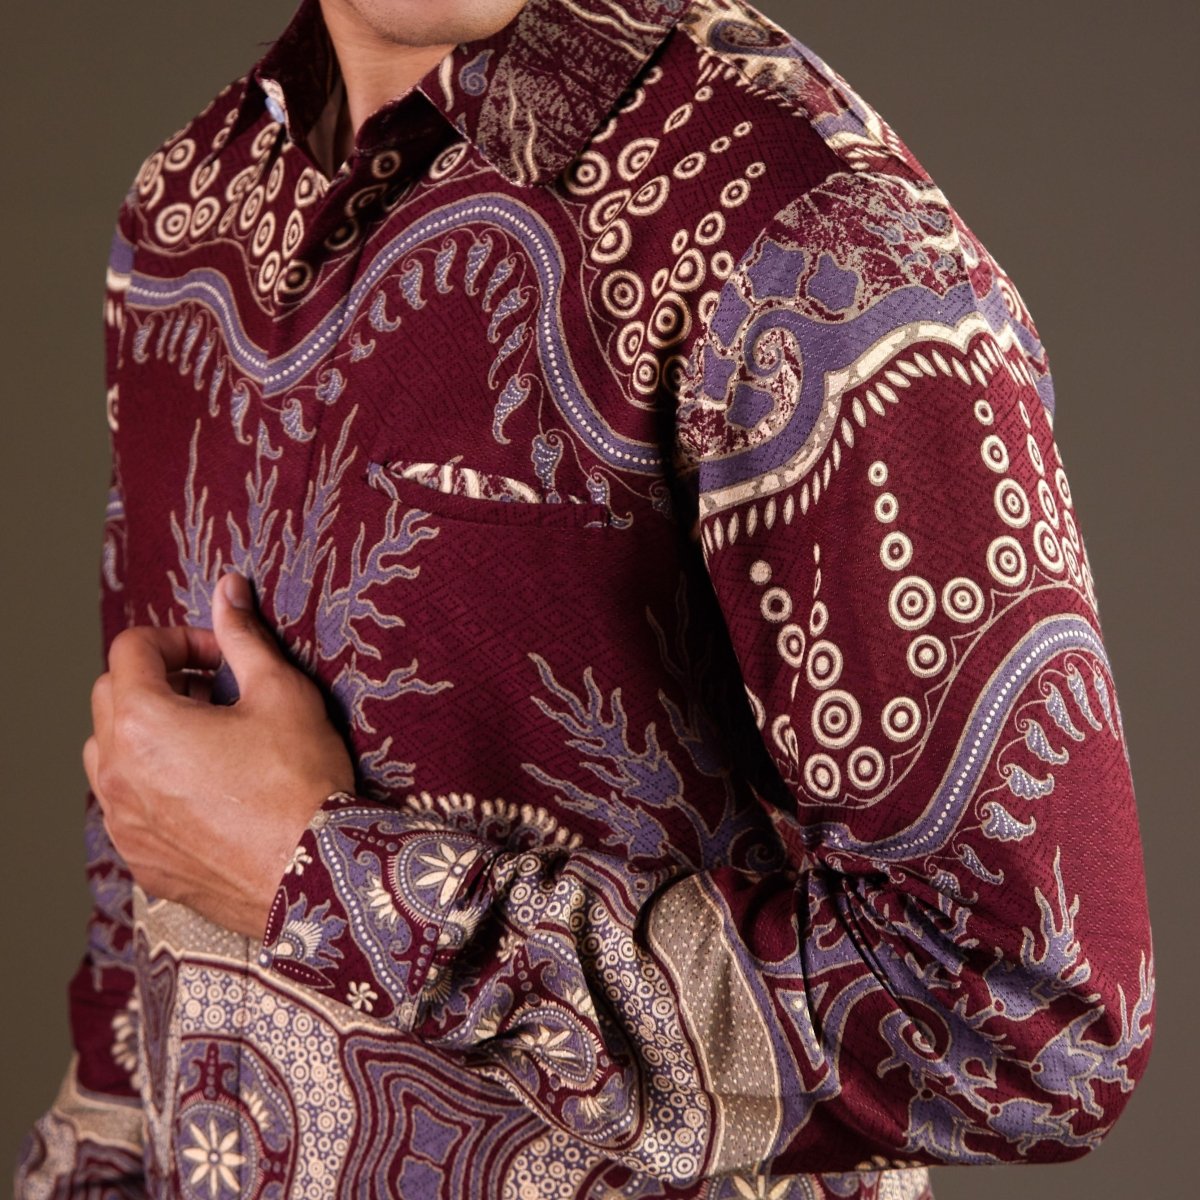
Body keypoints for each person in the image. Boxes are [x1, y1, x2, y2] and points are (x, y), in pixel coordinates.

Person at [15, 0, 1154, 1196]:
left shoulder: (819, 247)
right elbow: (142, 871)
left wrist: (331, 885)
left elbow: (1024, 1028)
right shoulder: (186, 206)